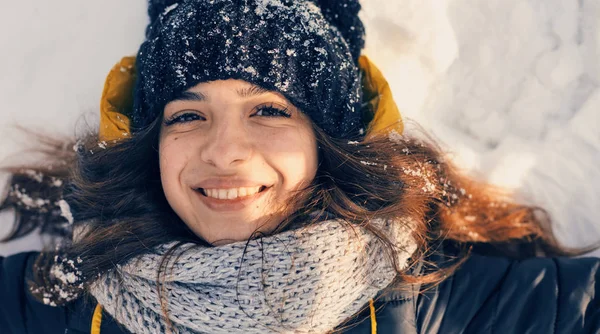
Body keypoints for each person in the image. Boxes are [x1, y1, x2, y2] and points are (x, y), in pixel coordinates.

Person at [1, 0, 598, 333]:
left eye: (268, 109)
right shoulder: (66, 301)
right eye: (187, 116)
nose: (225, 151)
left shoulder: (430, 302)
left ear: (327, 143)